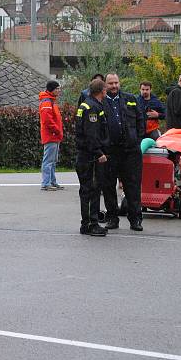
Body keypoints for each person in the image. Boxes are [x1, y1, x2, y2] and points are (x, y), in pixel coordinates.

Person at [101, 73, 145, 231]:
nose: (114, 86)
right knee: (108, 186)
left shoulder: (131, 98)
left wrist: (137, 139)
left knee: (133, 186)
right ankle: (112, 218)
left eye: (116, 83)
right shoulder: (101, 101)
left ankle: (135, 220)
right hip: (110, 151)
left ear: (120, 83)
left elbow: (141, 120)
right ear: (105, 85)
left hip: (130, 151)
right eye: (111, 83)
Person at [75, 78, 109, 237]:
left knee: (86, 190)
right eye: (105, 89)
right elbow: (92, 134)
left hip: (84, 154)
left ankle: (86, 223)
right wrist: (99, 153)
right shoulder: (93, 108)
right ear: (102, 91)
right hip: (90, 156)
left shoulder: (85, 105)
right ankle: (91, 224)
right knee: (92, 190)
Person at [39, 80, 64, 191]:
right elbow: (47, 120)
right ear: (52, 90)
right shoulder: (47, 102)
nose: (59, 90)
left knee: (52, 160)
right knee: (48, 160)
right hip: (51, 135)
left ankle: (52, 181)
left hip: (54, 135)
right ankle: (46, 183)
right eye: (57, 88)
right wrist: (57, 130)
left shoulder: (51, 101)